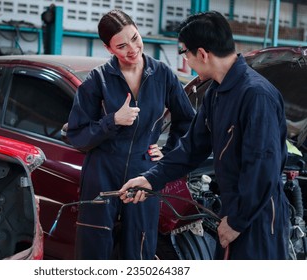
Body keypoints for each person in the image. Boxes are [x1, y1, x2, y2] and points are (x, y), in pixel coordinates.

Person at [120, 11, 290, 260]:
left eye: (184, 53)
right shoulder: (217, 93)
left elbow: (263, 167)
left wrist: (238, 221)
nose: (186, 60)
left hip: (261, 216)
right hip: (233, 210)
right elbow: (192, 147)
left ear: (202, 53)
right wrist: (150, 179)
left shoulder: (256, 96)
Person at [66, 9, 195, 260]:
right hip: (101, 172)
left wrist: (168, 152)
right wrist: (112, 120)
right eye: (122, 45)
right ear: (108, 48)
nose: (133, 49)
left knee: (139, 245)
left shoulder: (162, 75)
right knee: (95, 247)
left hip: (144, 172)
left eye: (135, 38)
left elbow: (187, 120)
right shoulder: (98, 80)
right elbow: (77, 134)